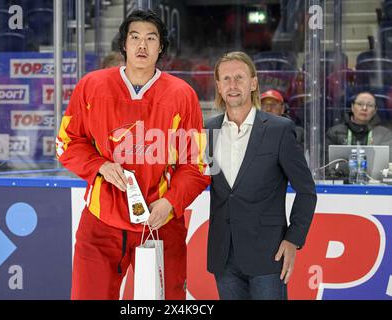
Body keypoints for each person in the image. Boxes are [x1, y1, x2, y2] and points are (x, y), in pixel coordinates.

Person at [56, 10, 210, 300]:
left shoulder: (182, 95)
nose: (142, 45)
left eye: (151, 39)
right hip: (101, 221)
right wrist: (98, 165)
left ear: (161, 46)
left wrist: (170, 202)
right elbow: (67, 142)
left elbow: (198, 164)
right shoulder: (92, 86)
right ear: (123, 44)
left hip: (160, 222)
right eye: (135, 37)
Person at [205, 51, 317, 300]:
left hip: (269, 254)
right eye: (226, 79)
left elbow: (307, 191)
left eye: (239, 77)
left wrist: (293, 239)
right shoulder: (208, 130)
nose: (233, 85)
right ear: (218, 86)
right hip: (223, 255)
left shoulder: (279, 129)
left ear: (253, 83)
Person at [326, 91, 392, 156]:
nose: (364, 108)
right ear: (352, 107)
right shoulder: (335, 132)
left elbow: (388, 162)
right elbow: (327, 162)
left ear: (375, 110)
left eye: (370, 105)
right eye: (360, 104)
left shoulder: (385, 134)